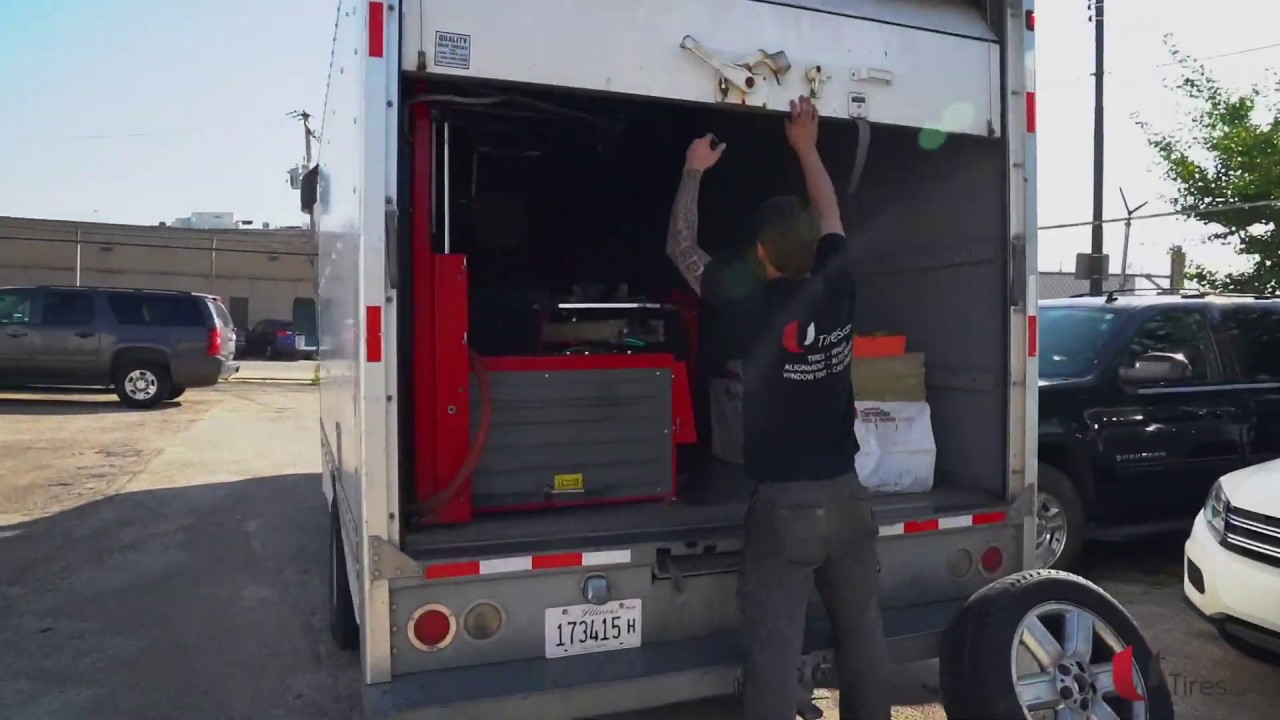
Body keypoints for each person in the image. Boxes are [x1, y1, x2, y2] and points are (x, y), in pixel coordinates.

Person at [665, 95, 890, 720]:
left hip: (786, 508)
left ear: (762, 252)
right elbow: (831, 210)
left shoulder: (749, 302)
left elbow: (681, 249)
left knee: (773, 649)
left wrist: (692, 171)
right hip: (849, 496)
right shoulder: (839, 283)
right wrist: (807, 150)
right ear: (815, 246)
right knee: (864, 638)